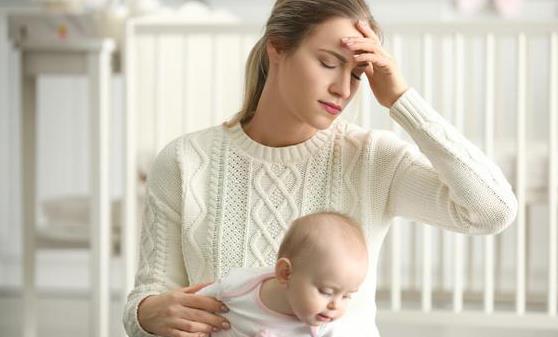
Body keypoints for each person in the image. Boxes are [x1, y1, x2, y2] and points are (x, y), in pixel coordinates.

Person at [122, 0, 518, 336]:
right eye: (329, 63)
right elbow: (151, 293)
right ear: (277, 47)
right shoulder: (185, 160)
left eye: (357, 74)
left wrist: (401, 98)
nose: (343, 89)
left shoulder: (371, 158)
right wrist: (144, 315)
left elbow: (492, 210)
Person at [195, 211, 368, 337]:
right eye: (327, 292)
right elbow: (192, 305)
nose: (335, 305)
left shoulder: (324, 328)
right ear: (285, 273)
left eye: (347, 296)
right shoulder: (238, 286)